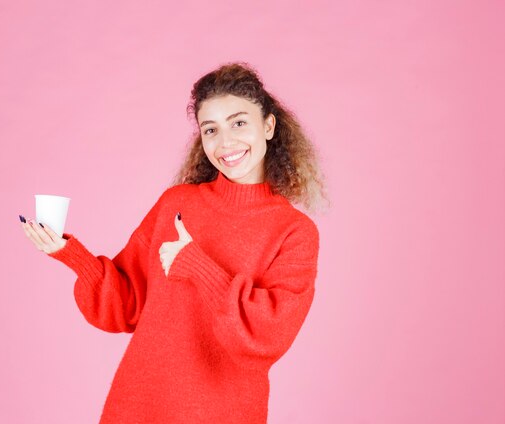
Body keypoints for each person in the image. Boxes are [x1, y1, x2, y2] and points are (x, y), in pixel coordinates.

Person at [18, 61, 328, 424]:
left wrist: (196, 264)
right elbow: (127, 302)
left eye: (239, 123)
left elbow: (266, 336)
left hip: (224, 412)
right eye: (210, 129)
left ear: (269, 126)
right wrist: (70, 254)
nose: (225, 142)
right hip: (140, 403)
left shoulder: (294, 231)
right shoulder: (177, 204)